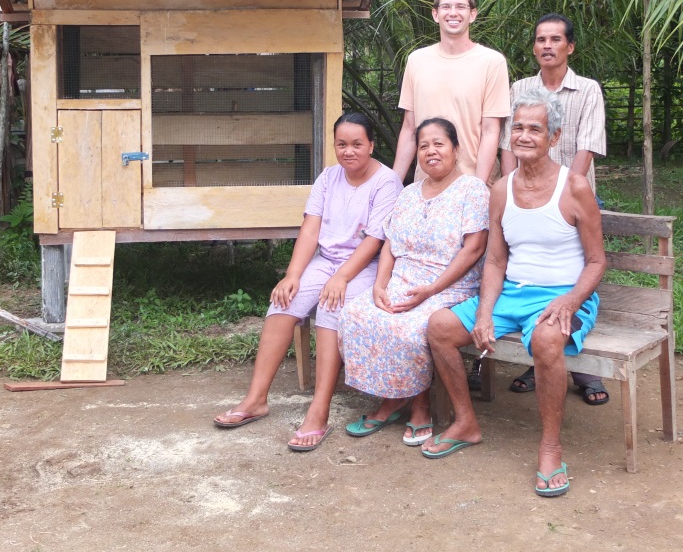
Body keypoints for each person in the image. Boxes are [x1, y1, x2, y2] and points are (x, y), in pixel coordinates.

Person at [425, 90, 606, 498]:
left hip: (563, 294)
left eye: (535, 129)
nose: (524, 136)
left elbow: (596, 262)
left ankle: (550, 446)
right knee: (439, 327)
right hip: (512, 294)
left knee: (545, 340)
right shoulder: (501, 189)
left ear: (554, 137)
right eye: (518, 128)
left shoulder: (574, 187)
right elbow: (494, 261)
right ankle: (466, 423)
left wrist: (569, 301)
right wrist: (485, 311)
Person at [214, 112, 403, 452]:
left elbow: (375, 240)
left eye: (357, 144)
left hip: (365, 266)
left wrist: (342, 277)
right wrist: (292, 274)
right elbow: (311, 229)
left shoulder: (387, 182)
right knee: (283, 301)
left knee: (332, 307)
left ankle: (319, 411)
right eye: (341, 144)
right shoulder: (328, 177)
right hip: (325, 260)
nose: (349, 151)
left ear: (372, 145)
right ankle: (256, 399)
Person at [472, 13, 609, 404]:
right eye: (540, 39)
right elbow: (506, 142)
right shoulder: (519, 88)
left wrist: (563, 187)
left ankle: (583, 371)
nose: (547, 45)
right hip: (520, 191)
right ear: (534, 47)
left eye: (555, 39)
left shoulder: (587, 89)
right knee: (511, 257)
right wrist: (516, 186)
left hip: (571, 194)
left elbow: (587, 144)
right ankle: (515, 359)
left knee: (575, 266)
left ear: (570, 46)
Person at [339, 118, 489, 446]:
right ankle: (393, 397)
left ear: (456, 149)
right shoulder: (408, 194)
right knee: (357, 314)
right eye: (423, 146)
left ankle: (419, 407)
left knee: (409, 328)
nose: (431, 151)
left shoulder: (473, 189)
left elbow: (474, 248)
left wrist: (432, 290)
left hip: (450, 286)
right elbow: (390, 243)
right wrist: (380, 285)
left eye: (439, 144)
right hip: (403, 280)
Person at [392, 0, 511, 186]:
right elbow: (409, 128)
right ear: (435, 14)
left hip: (472, 181)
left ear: (472, 14)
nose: (453, 13)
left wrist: (477, 188)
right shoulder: (416, 60)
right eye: (446, 7)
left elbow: (491, 131)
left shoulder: (492, 62)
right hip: (426, 184)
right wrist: (391, 186)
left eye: (460, 6)